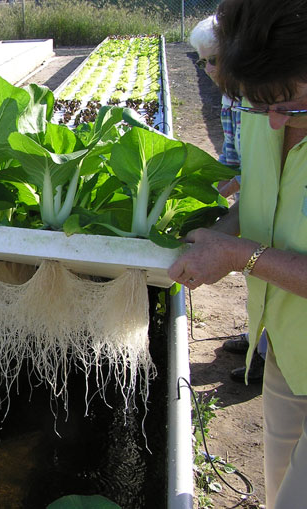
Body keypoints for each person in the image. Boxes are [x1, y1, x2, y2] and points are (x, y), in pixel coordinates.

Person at [169, 0, 307, 506]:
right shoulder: (264, 101)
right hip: (289, 349)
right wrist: (213, 234)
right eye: (257, 104)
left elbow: (246, 251)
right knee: (278, 492)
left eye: (291, 106)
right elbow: (260, 195)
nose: (273, 123)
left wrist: (240, 256)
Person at [189, 15, 266, 383]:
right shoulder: (229, 99)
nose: (207, 69)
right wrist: (204, 197)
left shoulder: (267, 102)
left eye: (214, 60)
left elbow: (253, 168)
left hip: (272, 198)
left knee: (271, 264)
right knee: (259, 275)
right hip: (257, 198)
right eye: (202, 60)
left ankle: (268, 355)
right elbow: (232, 162)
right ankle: (258, 339)